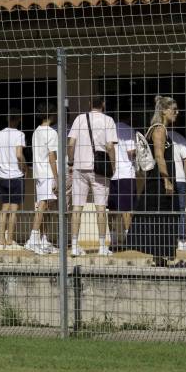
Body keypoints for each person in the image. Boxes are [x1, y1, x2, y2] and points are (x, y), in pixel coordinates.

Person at [128, 96, 186, 267]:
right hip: (160, 181)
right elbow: (159, 155)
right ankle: (161, 256)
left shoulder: (160, 129)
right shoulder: (159, 129)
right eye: (173, 109)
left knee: (161, 217)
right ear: (163, 110)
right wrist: (167, 180)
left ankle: (160, 258)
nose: (177, 112)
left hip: (158, 180)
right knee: (164, 217)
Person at [67, 96, 117, 257]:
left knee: (77, 207)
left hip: (79, 167)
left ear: (90, 104)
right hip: (100, 169)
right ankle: (102, 246)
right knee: (101, 207)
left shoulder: (80, 118)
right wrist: (113, 164)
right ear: (103, 104)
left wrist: (71, 162)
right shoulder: (108, 120)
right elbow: (110, 146)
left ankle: (74, 245)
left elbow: (71, 143)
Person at [26, 103, 59, 255]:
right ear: (52, 115)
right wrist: (57, 177)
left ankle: (44, 239)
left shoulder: (36, 132)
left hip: (39, 173)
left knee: (46, 206)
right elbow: (52, 156)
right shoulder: (51, 133)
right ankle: (33, 239)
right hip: (47, 173)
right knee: (43, 205)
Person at [0, 111, 27, 250]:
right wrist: (24, 166)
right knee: (13, 210)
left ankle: (1, 241)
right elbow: (19, 155)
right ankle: (10, 240)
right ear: (18, 119)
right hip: (16, 175)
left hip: (2, 175)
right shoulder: (19, 134)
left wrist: (2, 162)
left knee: (4, 209)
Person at [108, 112, 137, 250]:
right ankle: (128, 239)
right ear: (129, 117)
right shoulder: (129, 130)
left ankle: (113, 239)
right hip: (126, 173)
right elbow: (131, 152)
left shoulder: (110, 129)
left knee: (112, 209)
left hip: (111, 174)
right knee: (127, 209)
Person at [169, 129, 186, 252]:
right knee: (181, 209)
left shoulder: (155, 134)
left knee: (166, 210)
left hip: (164, 179)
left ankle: (167, 240)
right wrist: (184, 176)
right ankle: (181, 240)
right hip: (179, 179)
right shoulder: (179, 136)